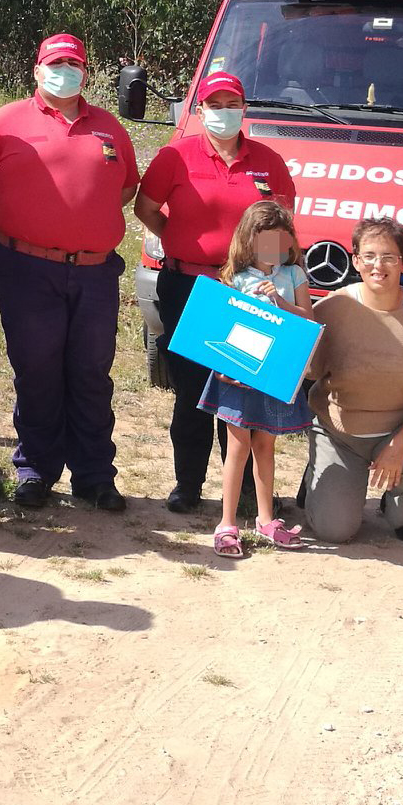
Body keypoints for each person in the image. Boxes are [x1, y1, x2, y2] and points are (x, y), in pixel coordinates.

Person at [0, 33, 138, 512]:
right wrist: (17, 217)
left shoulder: (108, 128)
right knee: (37, 371)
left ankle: (94, 476)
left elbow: (125, 187)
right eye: (56, 63)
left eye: (74, 63)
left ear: (86, 71)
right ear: (38, 70)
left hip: (93, 273)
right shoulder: (5, 122)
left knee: (90, 373)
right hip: (27, 268)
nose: (66, 71)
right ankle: (36, 470)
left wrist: (83, 224)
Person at [134, 71, 296, 513]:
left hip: (243, 288)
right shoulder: (176, 156)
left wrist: (254, 269)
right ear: (199, 108)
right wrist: (181, 239)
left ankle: (242, 491)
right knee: (192, 390)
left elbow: (281, 225)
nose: (223, 111)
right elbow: (145, 207)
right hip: (188, 284)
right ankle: (187, 485)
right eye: (214, 103)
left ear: (244, 109)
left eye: (232, 103)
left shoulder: (269, 161)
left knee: (241, 388)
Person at [301, 217, 403, 545]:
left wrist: (399, 444)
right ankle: (317, 474)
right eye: (368, 256)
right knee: (335, 532)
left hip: (401, 433)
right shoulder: (331, 308)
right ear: (355, 260)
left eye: (389, 257)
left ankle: (399, 507)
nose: (377, 265)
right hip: (339, 434)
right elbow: (305, 370)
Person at [199, 201, 312, 557]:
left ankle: (266, 519)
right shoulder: (236, 277)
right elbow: (220, 323)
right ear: (250, 241)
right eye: (266, 241)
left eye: (281, 241)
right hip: (239, 373)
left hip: (275, 372)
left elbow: (308, 321)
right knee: (237, 445)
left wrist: (280, 300)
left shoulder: (294, 276)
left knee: (266, 445)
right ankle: (227, 522)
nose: (274, 250)